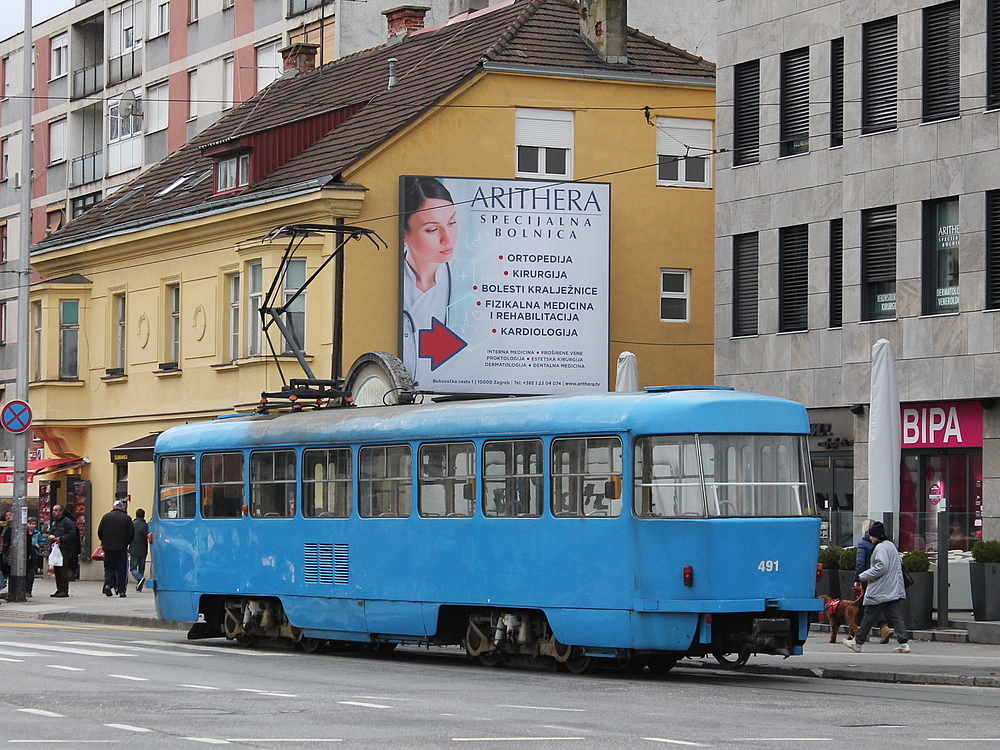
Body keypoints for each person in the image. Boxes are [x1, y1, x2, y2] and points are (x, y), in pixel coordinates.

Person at [401, 176, 458, 384]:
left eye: (452, 223)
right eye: (432, 229)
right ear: (404, 233)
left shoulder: (467, 285)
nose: (447, 238)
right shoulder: (389, 285)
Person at [843, 521, 911, 653]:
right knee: (896, 616)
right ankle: (904, 643)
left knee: (869, 616)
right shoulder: (891, 546)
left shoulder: (880, 548)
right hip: (893, 587)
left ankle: (858, 642)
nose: (870, 538)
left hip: (881, 589)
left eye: (872, 535)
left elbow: (881, 566)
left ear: (877, 536)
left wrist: (863, 576)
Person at [854, 518, 892, 644]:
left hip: (867, 576)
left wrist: (857, 578)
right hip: (881, 577)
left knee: (868, 605)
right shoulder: (883, 544)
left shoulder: (863, 544)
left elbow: (860, 563)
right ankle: (881, 629)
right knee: (876, 604)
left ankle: (870, 631)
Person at [98, 500, 134, 598]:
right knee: (122, 569)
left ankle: (108, 584)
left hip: (108, 548)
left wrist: (105, 541)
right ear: (122, 507)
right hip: (121, 548)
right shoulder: (127, 518)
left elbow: (100, 532)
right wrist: (126, 543)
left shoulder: (106, 517)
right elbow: (131, 534)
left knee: (109, 567)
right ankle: (121, 590)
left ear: (113, 507)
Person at [47, 504, 79, 598]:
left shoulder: (67, 521)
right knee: (56, 569)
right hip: (55, 548)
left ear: (61, 511)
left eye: (56, 510)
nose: (54, 512)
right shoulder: (54, 523)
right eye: (53, 510)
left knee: (63, 569)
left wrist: (61, 538)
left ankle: (64, 590)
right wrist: (51, 537)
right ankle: (59, 589)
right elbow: (51, 532)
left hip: (64, 548)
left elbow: (73, 534)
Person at [129, 508, 149, 592]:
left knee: (133, 568)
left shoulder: (132, 524)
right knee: (141, 567)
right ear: (143, 515)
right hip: (143, 549)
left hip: (134, 548)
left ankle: (140, 578)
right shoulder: (146, 525)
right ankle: (139, 584)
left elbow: (129, 535)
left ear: (136, 515)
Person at [25, 517, 44, 597]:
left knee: (31, 572)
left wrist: (38, 545)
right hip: (25, 552)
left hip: (33, 552)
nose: (31, 526)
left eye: (33, 524)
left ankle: (29, 590)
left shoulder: (37, 533)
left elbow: (42, 541)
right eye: (30, 524)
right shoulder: (24, 533)